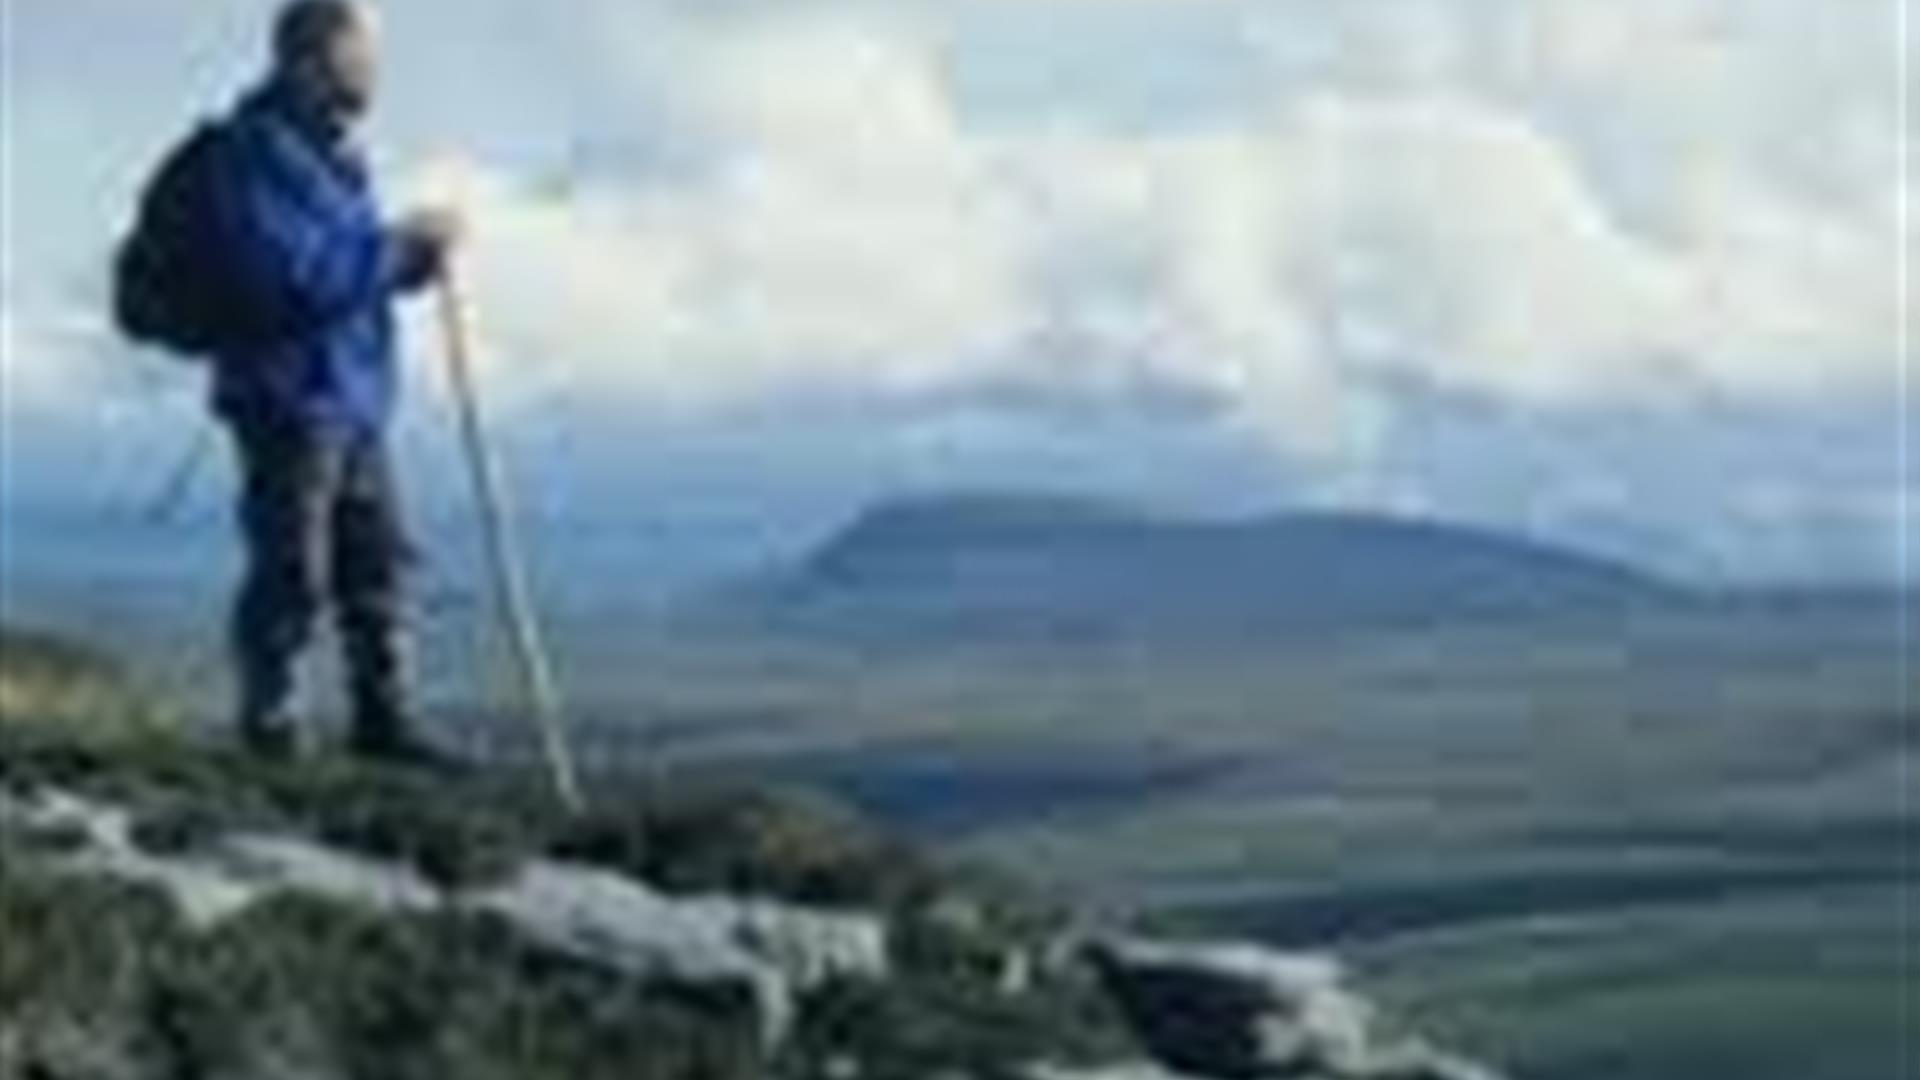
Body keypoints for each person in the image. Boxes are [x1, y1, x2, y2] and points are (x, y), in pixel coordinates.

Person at [206, 0, 461, 762]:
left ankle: (383, 724)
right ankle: (273, 730)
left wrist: (409, 264)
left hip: (350, 397)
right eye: (363, 52)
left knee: (376, 561)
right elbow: (293, 279)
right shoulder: (256, 153)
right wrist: (397, 249)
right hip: (289, 399)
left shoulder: (333, 155)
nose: (375, 69)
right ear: (313, 57)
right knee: (293, 569)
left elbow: (346, 278)